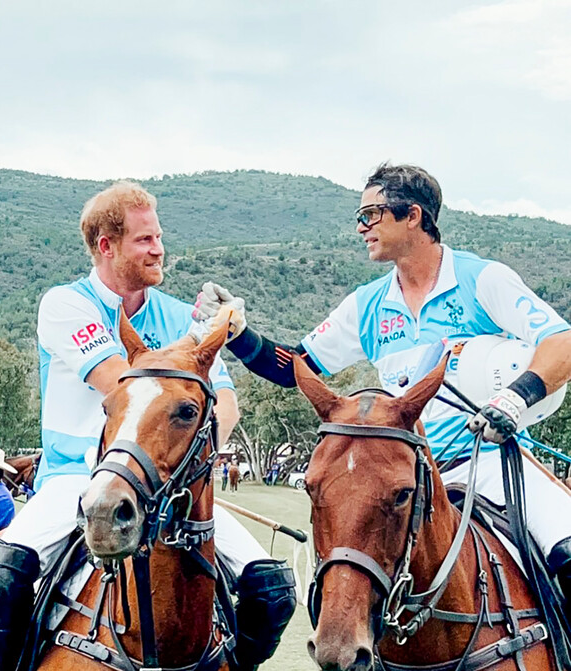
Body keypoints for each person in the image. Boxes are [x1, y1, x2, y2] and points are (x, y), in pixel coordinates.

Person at [0, 181, 296, 671]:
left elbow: (220, 401)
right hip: (78, 478)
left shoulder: (179, 317)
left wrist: (193, 449)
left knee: (268, 591)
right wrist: (207, 343)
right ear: (106, 243)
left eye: (160, 236)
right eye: (146, 238)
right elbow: (124, 388)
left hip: (173, 486)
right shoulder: (66, 305)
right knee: (2, 574)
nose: (159, 248)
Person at [193, 162, 571, 604]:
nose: (360, 227)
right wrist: (238, 333)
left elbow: (561, 342)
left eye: (370, 214)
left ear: (412, 215)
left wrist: (514, 399)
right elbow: (294, 367)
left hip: (489, 464)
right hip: (406, 476)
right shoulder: (368, 304)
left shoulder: (482, 280)